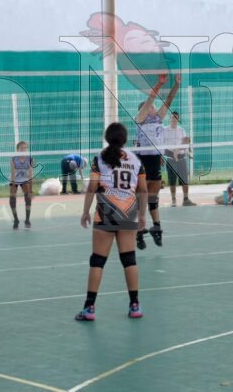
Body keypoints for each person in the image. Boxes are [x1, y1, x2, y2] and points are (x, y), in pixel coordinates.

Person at [76, 122, 147, 321]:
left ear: (107, 138)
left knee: (97, 261)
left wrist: (85, 212)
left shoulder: (100, 159)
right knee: (129, 260)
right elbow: (142, 189)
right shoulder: (135, 160)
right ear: (124, 139)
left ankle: (89, 308)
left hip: (106, 213)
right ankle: (135, 305)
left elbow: (92, 187)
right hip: (128, 213)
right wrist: (142, 215)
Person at [134, 73, 180, 249]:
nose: (154, 107)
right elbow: (151, 98)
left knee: (153, 199)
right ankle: (139, 232)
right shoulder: (140, 119)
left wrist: (176, 85)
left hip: (155, 161)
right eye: (150, 107)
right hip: (143, 161)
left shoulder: (158, 118)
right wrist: (159, 84)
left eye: (153, 107)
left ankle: (157, 228)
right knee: (142, 199)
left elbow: (168, 100)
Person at [163, 111, 195, 207]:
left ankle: (186, 199)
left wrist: (182, 149)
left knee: (184, 179)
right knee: (172, 180)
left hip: (181, 158)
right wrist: (172, 153)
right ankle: (173, 200)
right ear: (169, 119)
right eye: (172, 117)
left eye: (176, 118)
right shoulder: (165, 130)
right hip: (170, 158)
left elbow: (186, 143)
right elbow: (161, 145)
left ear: (178, 119)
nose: (174, 119)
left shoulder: (181, 130)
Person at [10, 141, 34, 229]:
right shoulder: (13, 159)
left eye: (25, 148)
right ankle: (16, 220)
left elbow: (31, 174)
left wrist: (31, 189)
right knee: (12, 199)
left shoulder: (30, 159)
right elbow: (12, 174)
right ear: (17, 149)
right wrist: (13, 187)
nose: (23, 149)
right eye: (21, 148)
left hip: (25, 180)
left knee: (28, 197)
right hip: (15, 180)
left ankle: (27, 220)